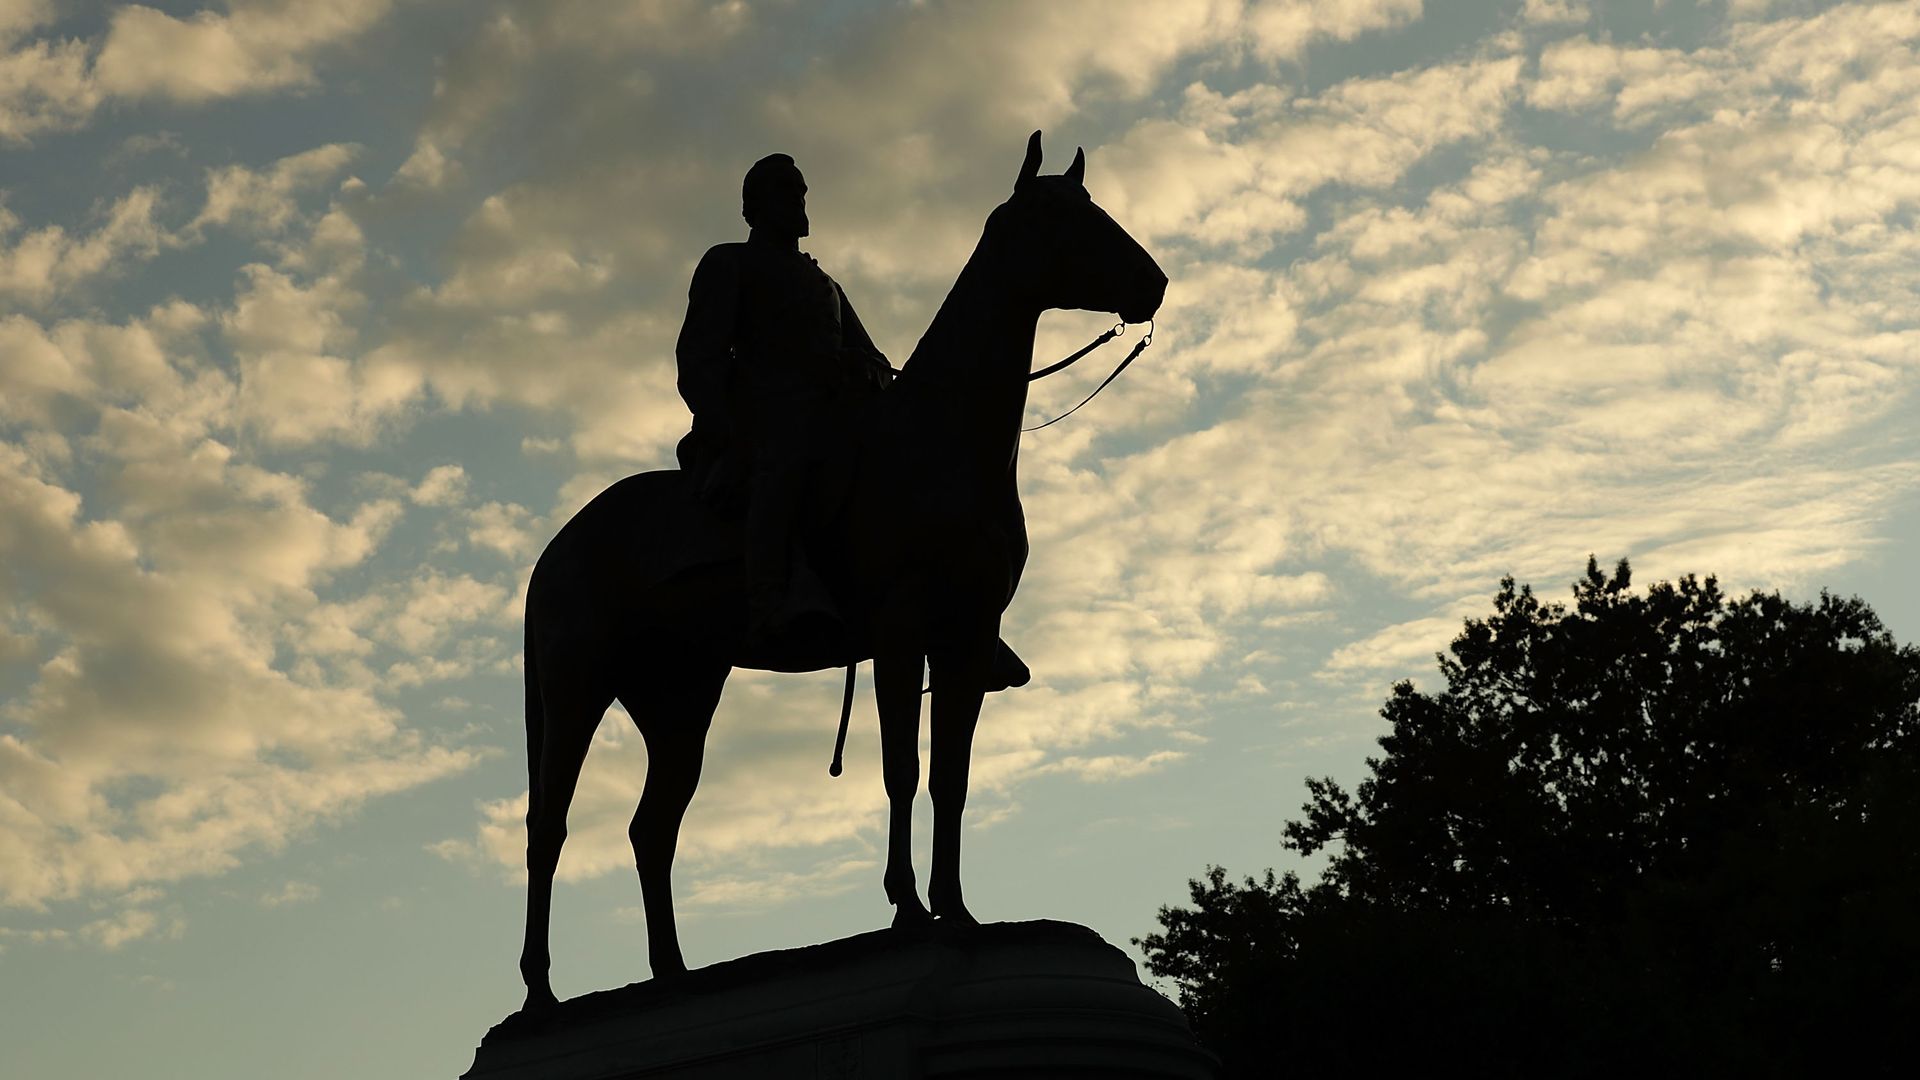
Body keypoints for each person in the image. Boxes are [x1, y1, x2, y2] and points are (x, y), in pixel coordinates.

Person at [675, 153, 893, 643]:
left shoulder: (825, 284)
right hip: (765, 416)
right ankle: (770, 599)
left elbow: (874, 357)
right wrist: (719, 421)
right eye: (785, 191)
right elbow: (701, 351)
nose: (798, 200)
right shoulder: (730, 262)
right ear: (754, 207)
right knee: (786, 465)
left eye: (800, 191)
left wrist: (867, 370)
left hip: (833, 411)